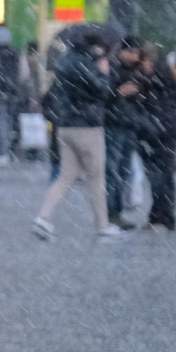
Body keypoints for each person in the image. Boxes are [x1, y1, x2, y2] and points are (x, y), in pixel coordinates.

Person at [32, 33, 127, 242]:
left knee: (65, 177)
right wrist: (104, 73)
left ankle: (43, 217)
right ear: (95, 44)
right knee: (96, 177)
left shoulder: (65, 62)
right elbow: (102, 91)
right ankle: (102, 225)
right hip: (88, 127)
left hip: (65, 126)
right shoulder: (88, 63)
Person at [104, 37, 145, 231]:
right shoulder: (111, 68)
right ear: (122, 51)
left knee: (123, 170)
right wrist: (119, 93)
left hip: (129, 125)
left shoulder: (135, 72)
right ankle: (111, 214)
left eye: (137, 53)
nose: (134, 57)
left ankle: (117, 212)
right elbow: (103, 96)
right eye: (131, 52)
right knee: (113, 170)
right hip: (114, 125)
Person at [139, 46, 176, 230]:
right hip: (166, 130)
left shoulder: (154, 81)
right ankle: (161, 215)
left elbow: (153, 108)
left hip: (158, 132)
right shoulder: (167, 77)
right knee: (164, 175)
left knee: (159, 176)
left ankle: (162, 215)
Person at [0, 25, 24, 166]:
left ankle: (3, 152)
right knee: (10, 122)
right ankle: (9, 151)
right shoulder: (15, 53)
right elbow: (23, 74)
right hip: (13, 92)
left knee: (1, 122)